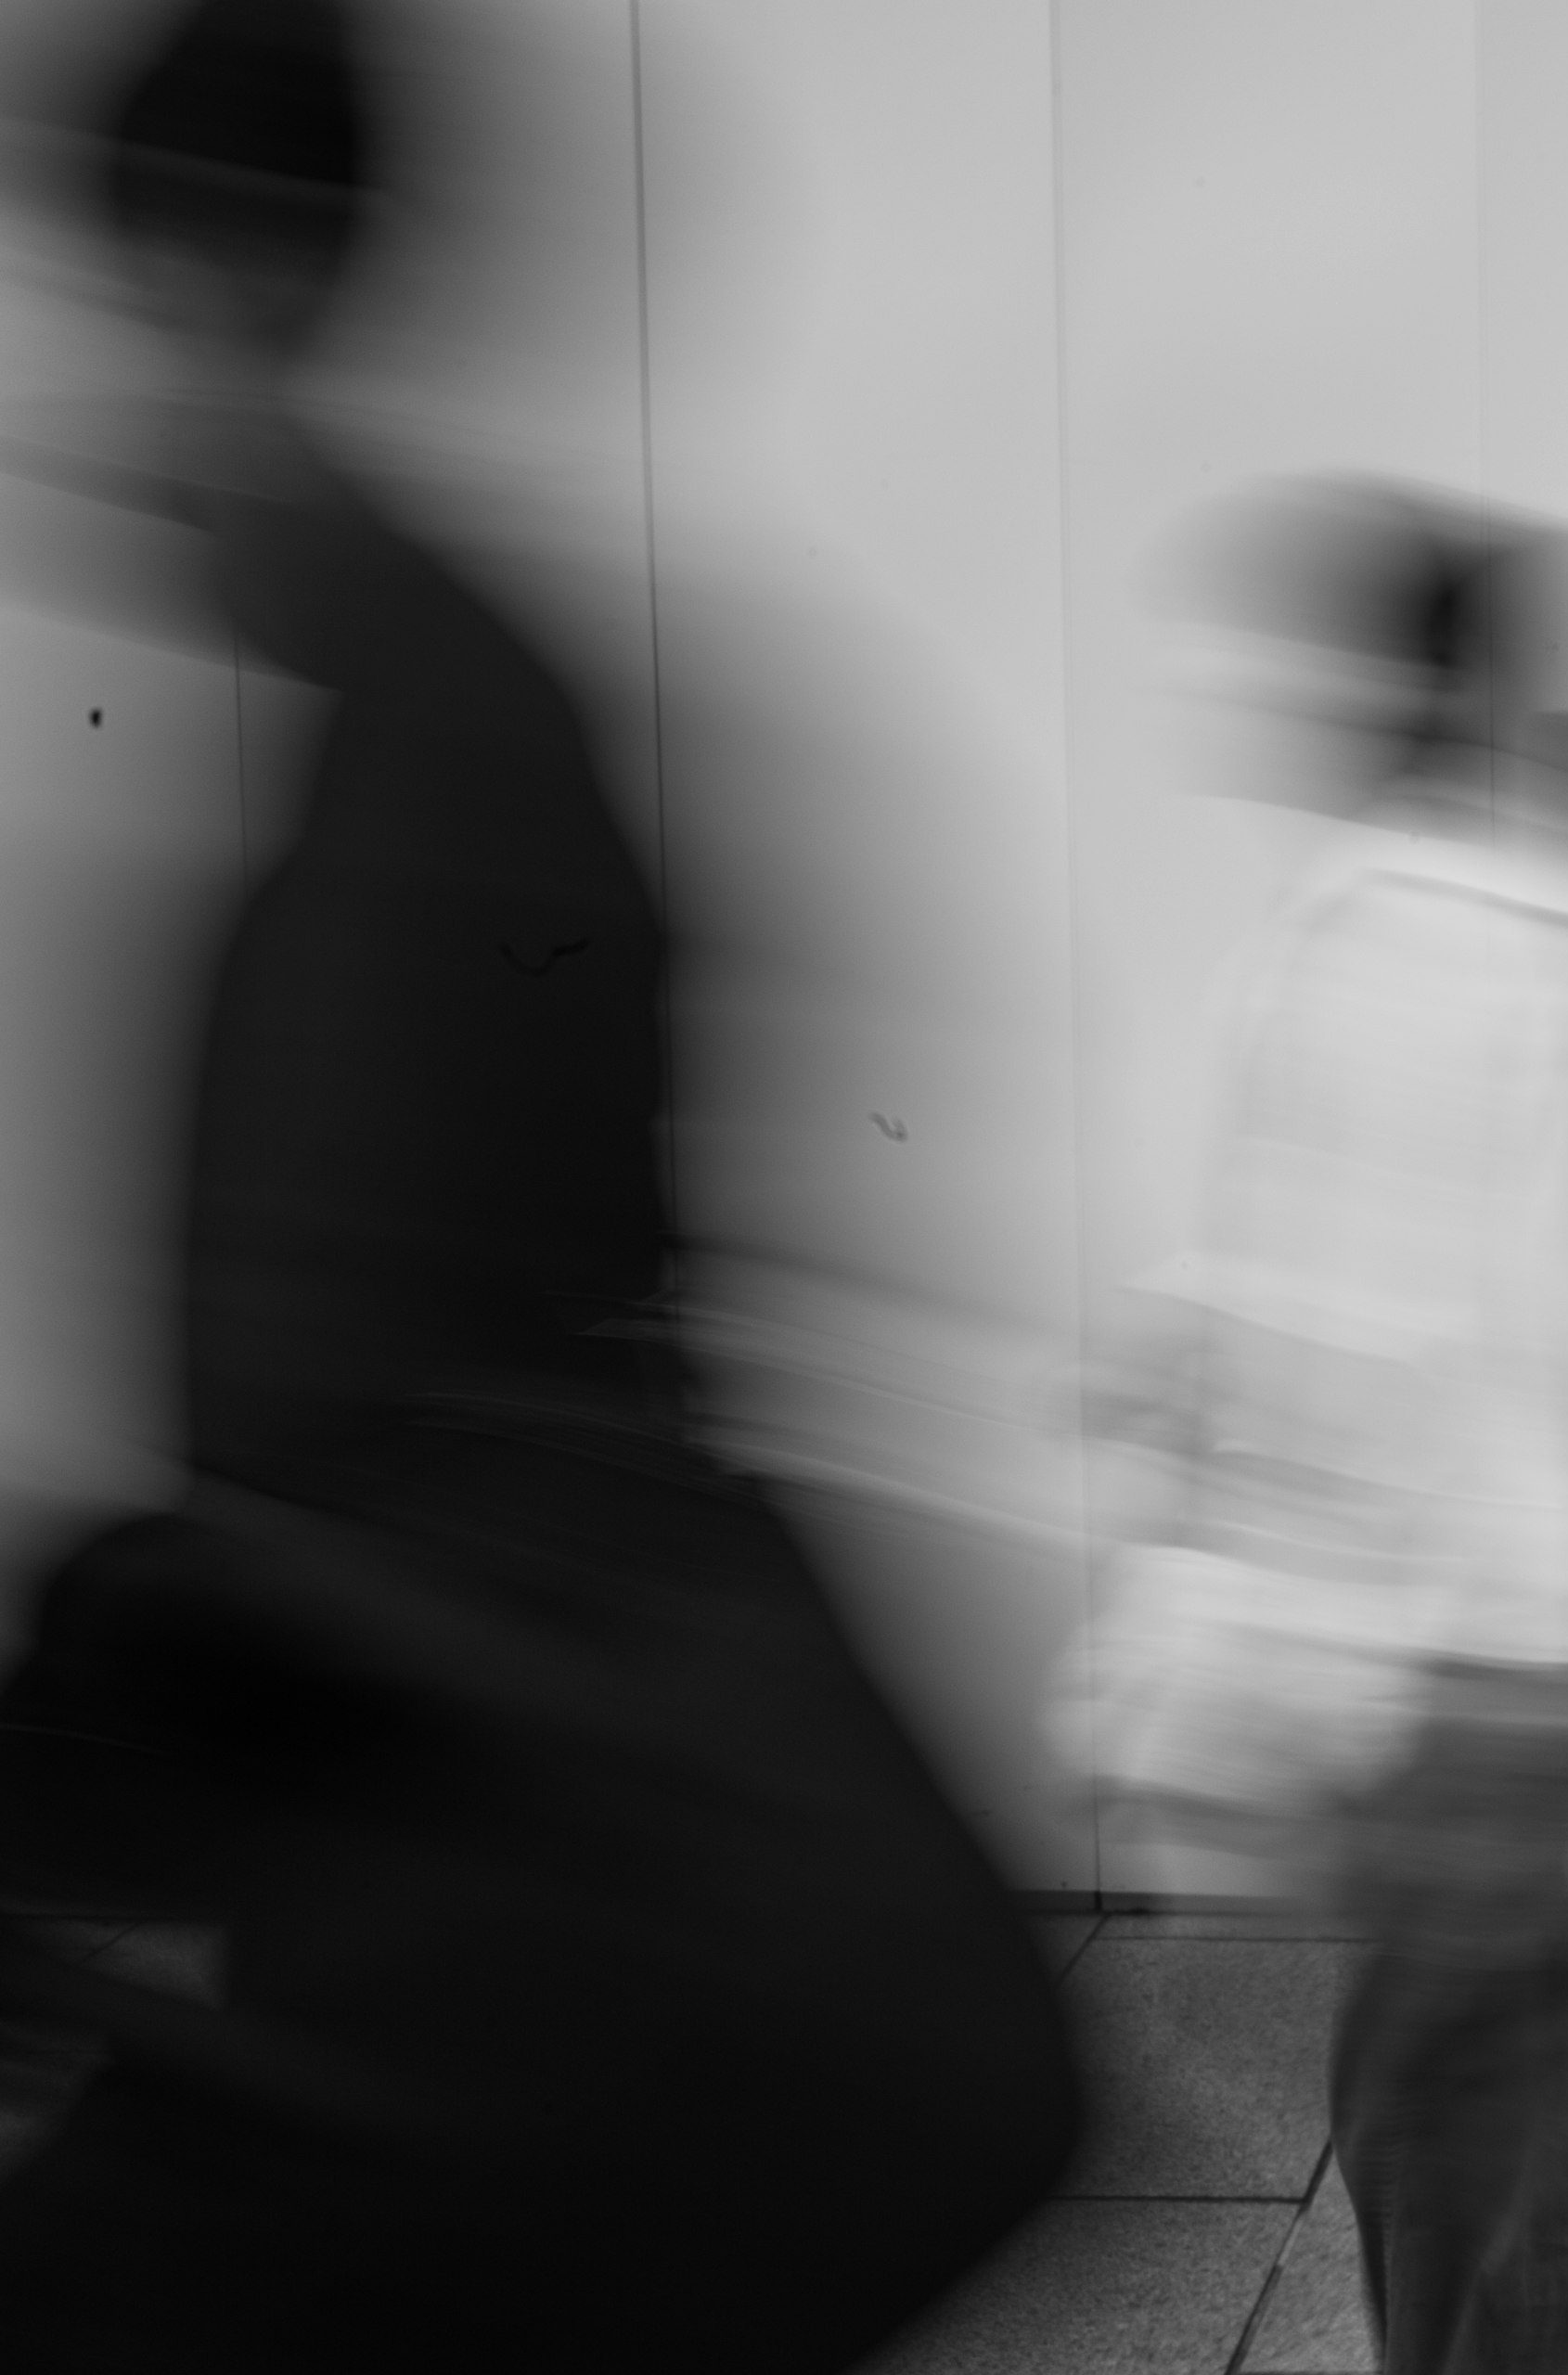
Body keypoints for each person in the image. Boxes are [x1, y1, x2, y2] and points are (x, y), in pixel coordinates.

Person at [0, 4, 1076, 2362]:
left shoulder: (380, 718)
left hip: (427, 1831)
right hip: (442, 1799)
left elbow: (335, 1373)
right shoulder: (477, 689)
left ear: (214, 272)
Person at [1080, 479, 1568, 2371]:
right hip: (1508, 1628)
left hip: (1382, 1629)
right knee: (1456, 2071)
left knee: (1442, 2077)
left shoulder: (1326, 936)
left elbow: (1265, 1277)